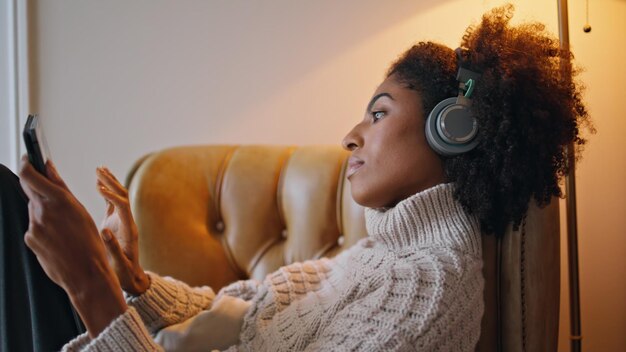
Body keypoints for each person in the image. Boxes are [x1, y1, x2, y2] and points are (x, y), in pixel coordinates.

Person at [0, 5, 591, 351]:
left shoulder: (424, 297)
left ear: (451, 129)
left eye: (378, 113)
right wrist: (126, 278)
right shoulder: (372, 259)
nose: (350, 137)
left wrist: (89, 288)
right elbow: (241, 307)